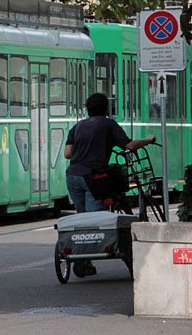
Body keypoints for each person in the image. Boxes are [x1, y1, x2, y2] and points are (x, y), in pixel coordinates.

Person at [64, 92, 155, 275]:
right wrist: (147, 140)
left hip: (72, 175)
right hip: (92, 177)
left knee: (82, 219)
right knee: (93, 220)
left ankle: (82, 260)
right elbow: (129, 146)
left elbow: (67, 154)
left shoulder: (78, 126)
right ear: (106, 108)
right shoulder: (108, 124)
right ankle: (88, 258)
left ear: (87, 108)